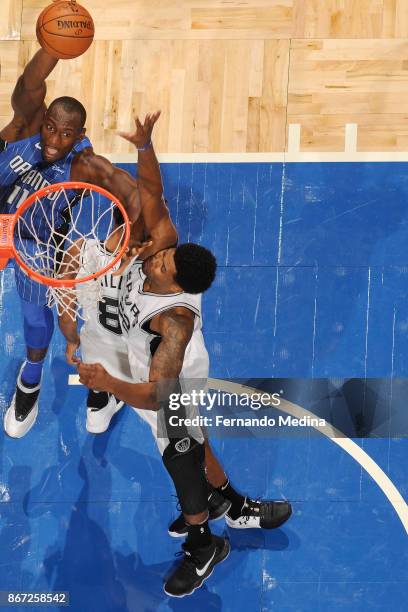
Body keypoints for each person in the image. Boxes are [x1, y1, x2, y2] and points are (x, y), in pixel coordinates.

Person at [74, 122, 292, 596]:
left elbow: (157, 395)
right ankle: (231, 504)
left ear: (177, 286)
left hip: (174, 381)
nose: (156, 260)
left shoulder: (173, 323)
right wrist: (144, 145)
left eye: (163, 266)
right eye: (160, 257)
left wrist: (107, 383)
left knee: (180, 451)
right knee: (193, 441)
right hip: (139, 361)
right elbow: (152, 192)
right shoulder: (158, 243)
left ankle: (203, 545)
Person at [0, 47, 146, 438]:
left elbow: (131, 194)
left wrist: (127, 233)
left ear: (79, 136)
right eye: (51, 128)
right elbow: (30, 85)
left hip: (34, 243)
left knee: (37, 318)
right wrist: (50, 50)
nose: (54, 139)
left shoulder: (82, 163)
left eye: (67, 134)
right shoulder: (23, 128)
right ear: (42, 121)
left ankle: (31, 378)